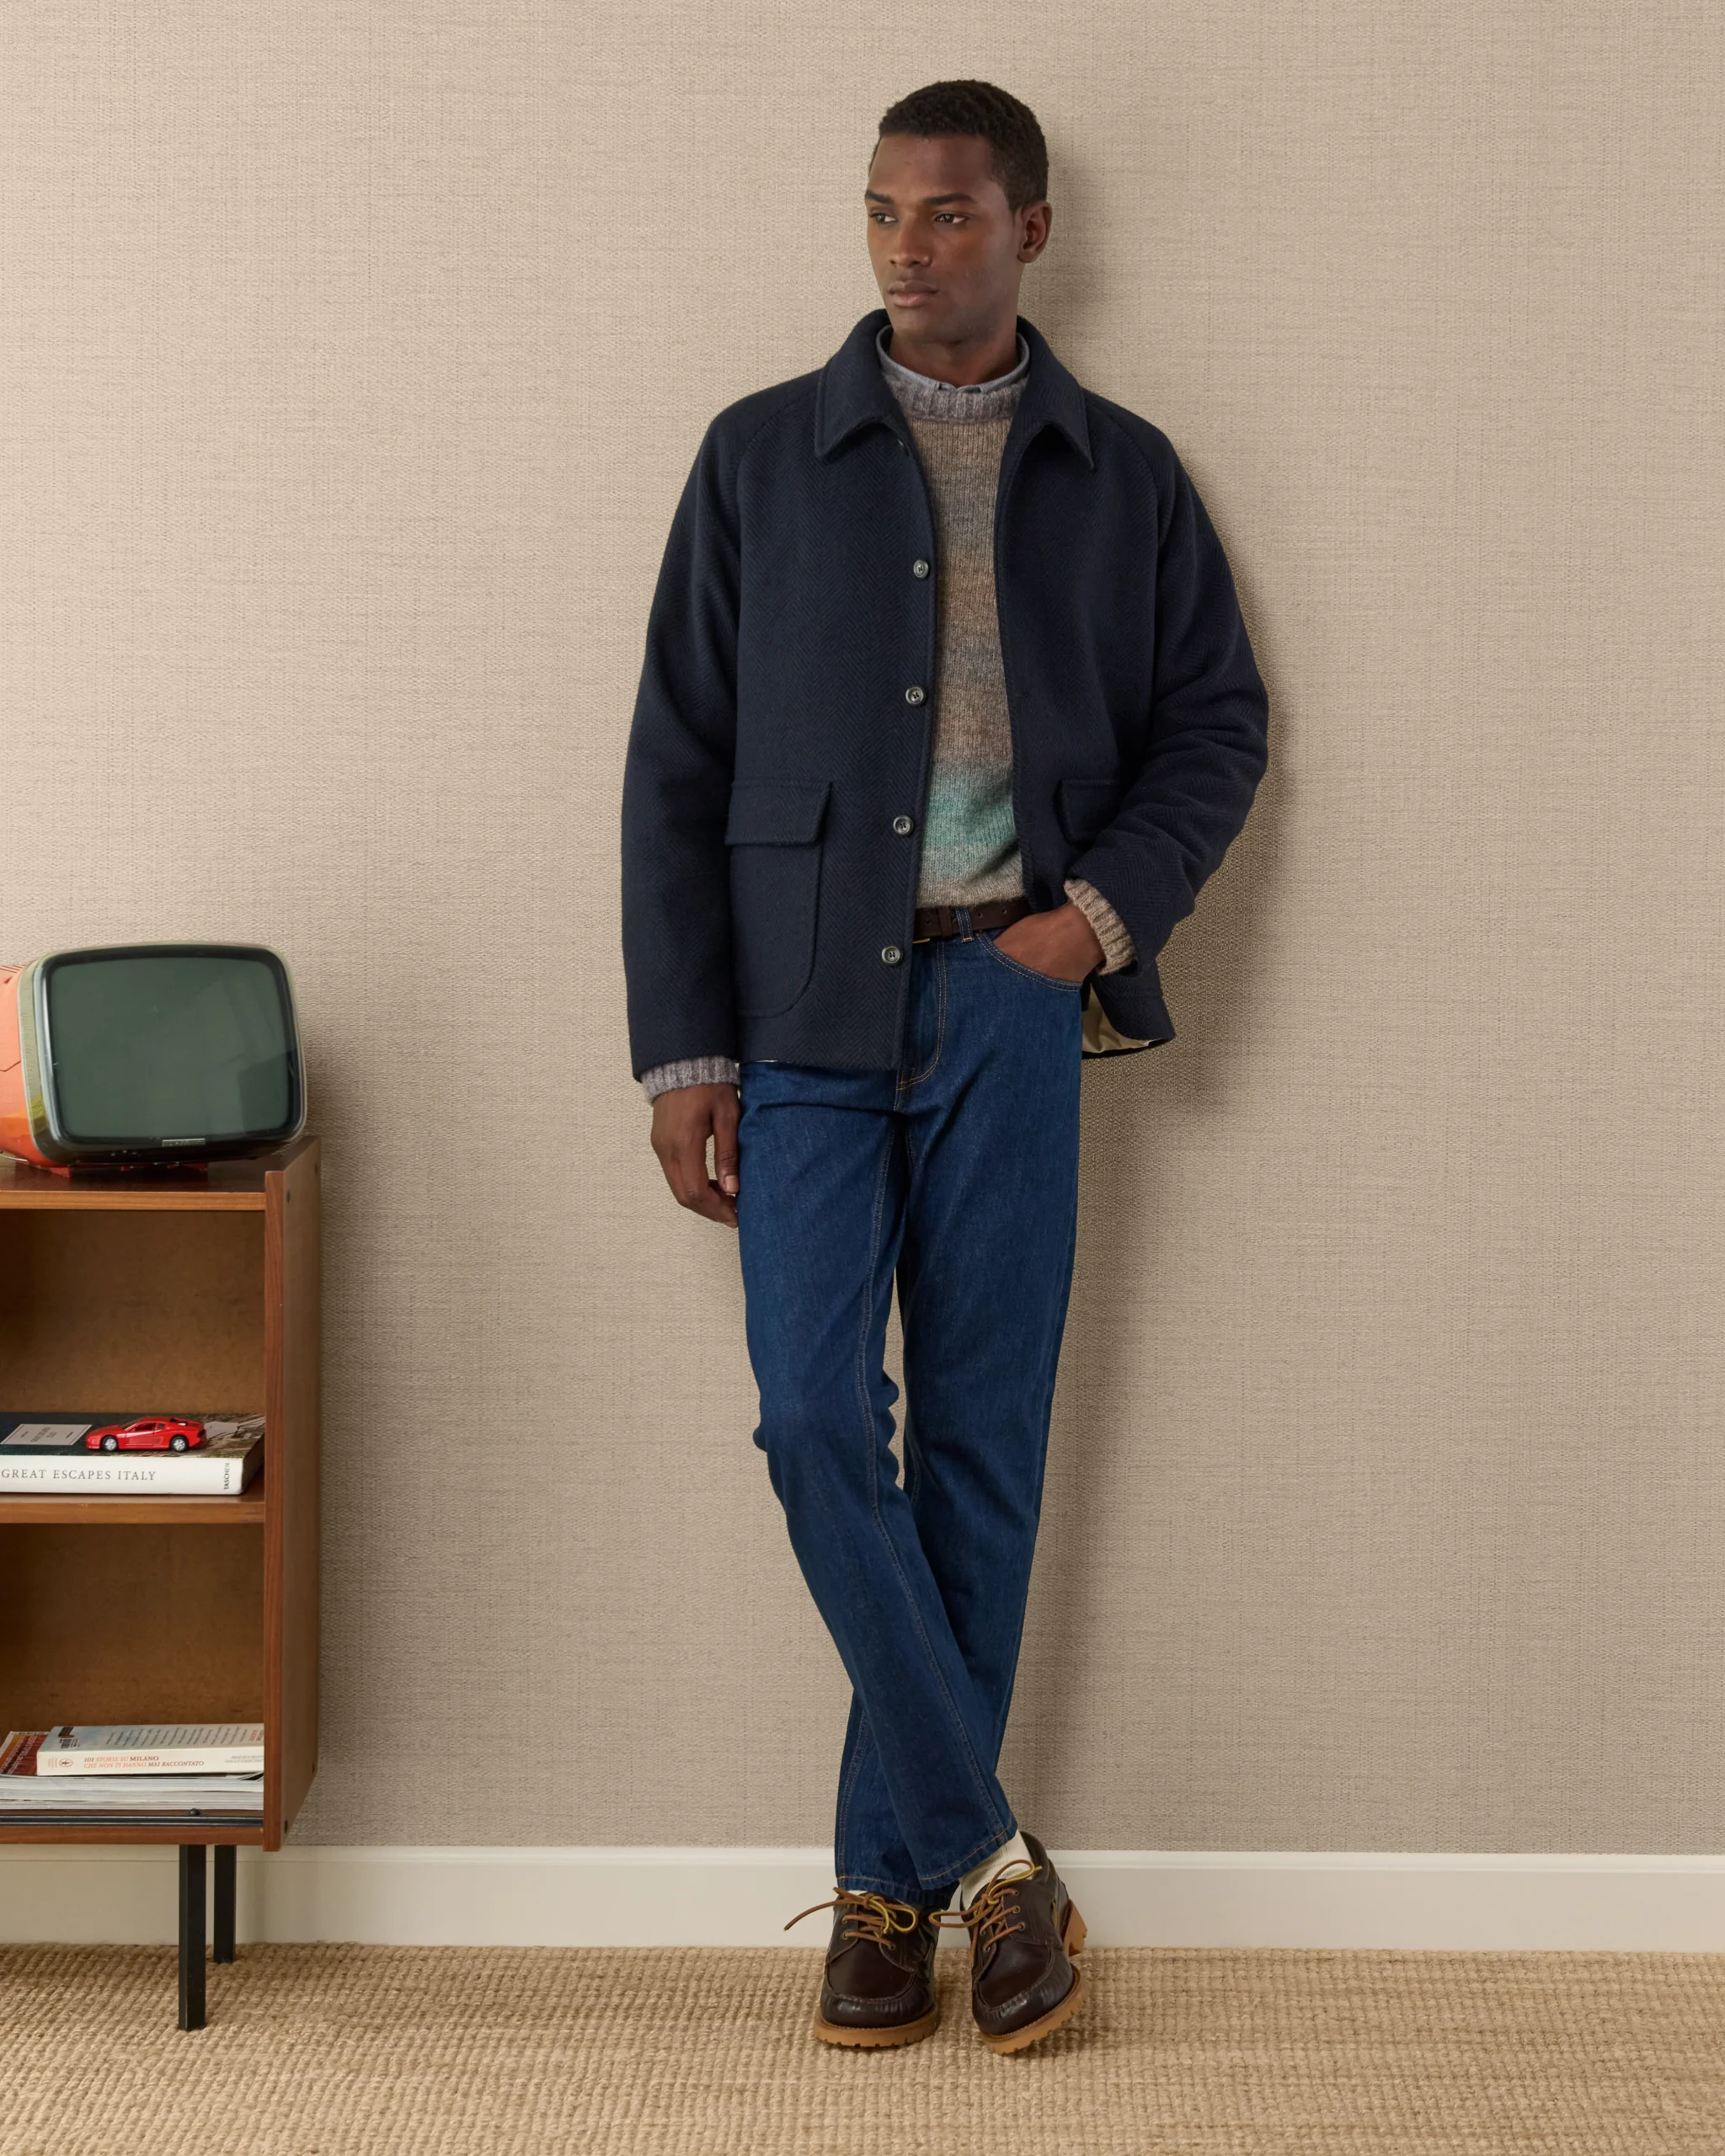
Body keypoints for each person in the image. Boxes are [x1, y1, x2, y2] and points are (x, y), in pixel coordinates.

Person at [621, 78, 1268, 2054]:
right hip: (801, 1013)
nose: (910, 247)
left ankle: (888, 1904)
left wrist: (1089, 922)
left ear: (1030, 230)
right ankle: (993, 1861)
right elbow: (676, 763)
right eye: (885, 212)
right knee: (815, 1419)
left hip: (1009, 1000)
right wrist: (682, 1047)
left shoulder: (1124, 474)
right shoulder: (759, 457)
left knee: (982, 1450)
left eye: (952, 214)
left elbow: (1217, 722)